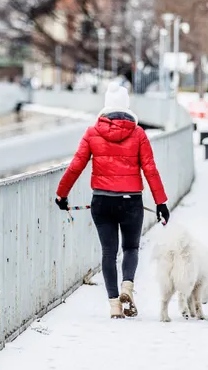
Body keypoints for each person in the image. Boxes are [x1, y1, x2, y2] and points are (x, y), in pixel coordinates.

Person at [55, 80, 170, 319]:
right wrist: (160, 203)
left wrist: (61, 194)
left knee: (109, 253)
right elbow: (150, 169)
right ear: (127, 107)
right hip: (131, 201)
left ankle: (114, 305)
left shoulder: (92, 132)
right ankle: (127, 287)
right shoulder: (138, 133)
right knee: (130, 248)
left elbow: (76, 165)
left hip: (102, 202)